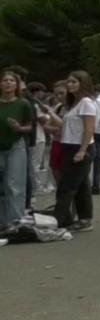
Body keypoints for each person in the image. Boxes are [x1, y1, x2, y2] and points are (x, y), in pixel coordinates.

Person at [51, 71, 99, 231]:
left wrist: (82, 150)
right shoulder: (75, 103)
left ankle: (57, 221)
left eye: (73, 82)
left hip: (79, 148)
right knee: (82, 185)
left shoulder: (86, 103)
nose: (69, 85)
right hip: (68, 145)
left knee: (66, 187)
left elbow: (89, 128)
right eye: (68, 82)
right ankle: (84, 219)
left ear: (82, 83)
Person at [0, 71, 34, 227]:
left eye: (11, 80)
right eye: (5, 80)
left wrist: (19, 127)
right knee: (1, 185)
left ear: (16, 84)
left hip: (16, 144)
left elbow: (30, 127)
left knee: (14, 184)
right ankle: (2, 221)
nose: (8, 83)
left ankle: (15, 222)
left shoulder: (23, 104)